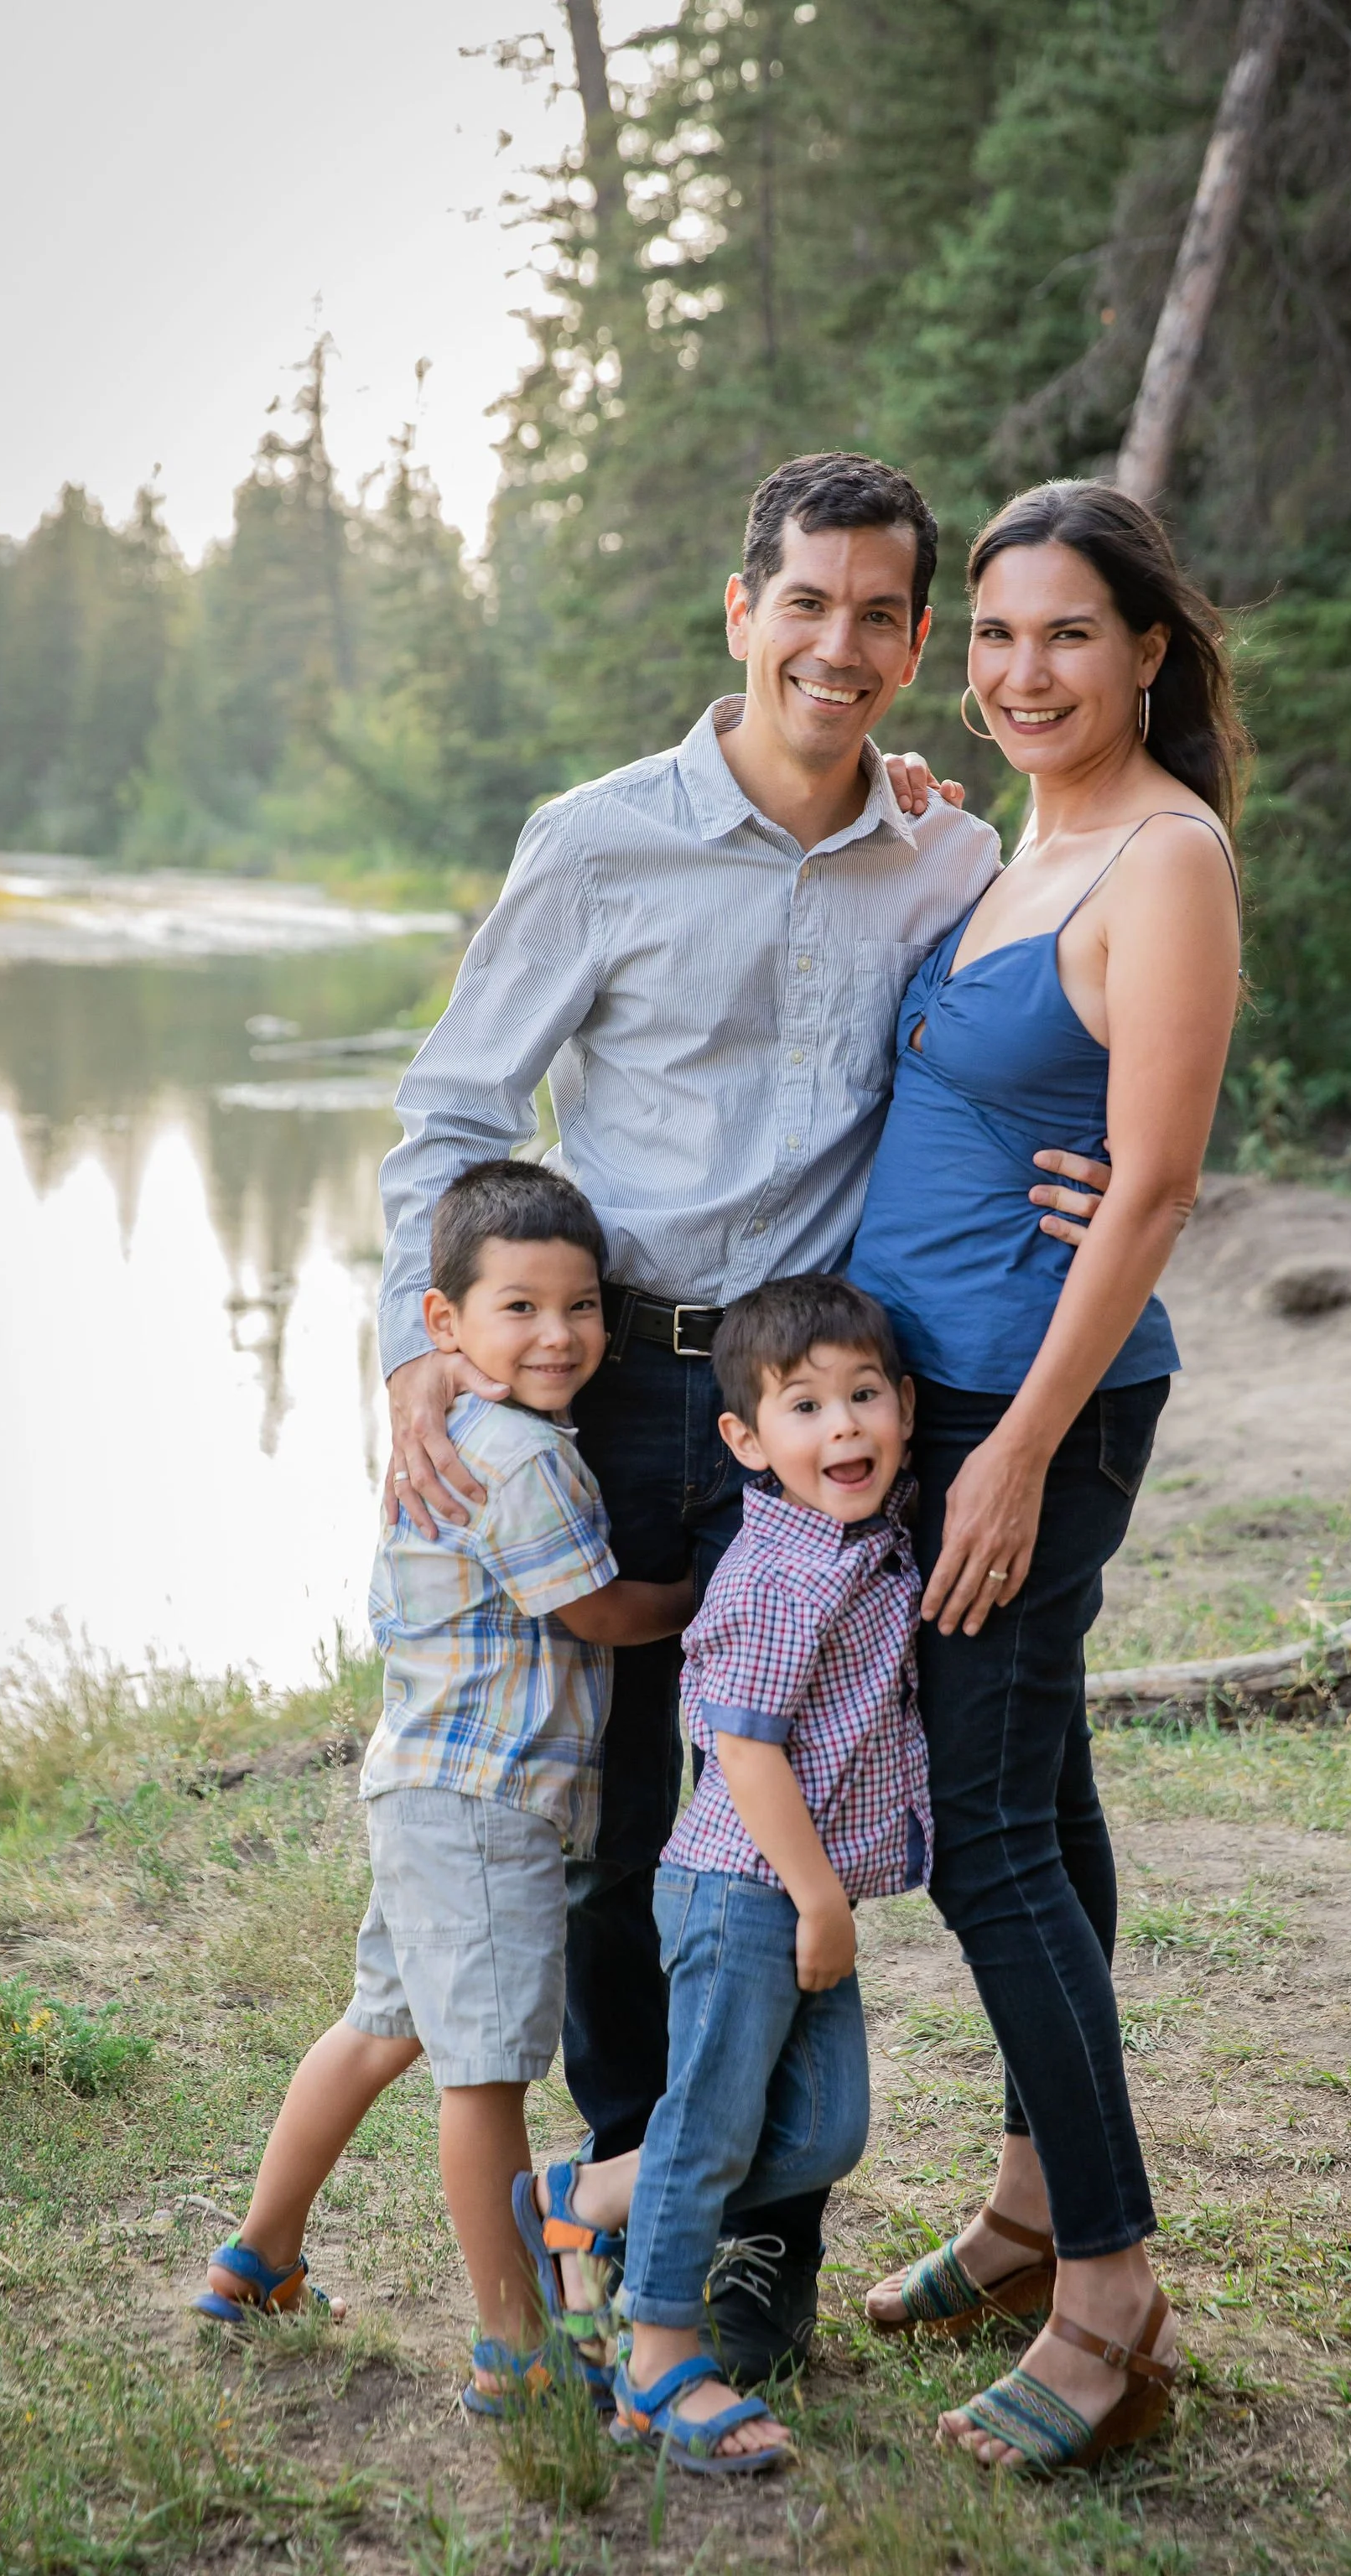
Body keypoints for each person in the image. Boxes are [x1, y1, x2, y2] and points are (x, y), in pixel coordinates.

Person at [375, 451, 1037, 2382]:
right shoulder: (596, 839)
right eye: (805, 602)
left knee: (792, 1813)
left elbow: (1018, 1054)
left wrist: (1088, 1174)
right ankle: (626, 2179)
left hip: (807, 1413)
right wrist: (420, 1345)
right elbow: (456, 1107)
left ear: (916, 646)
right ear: (741, 612)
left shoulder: (948, 854)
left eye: (880, 614)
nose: (840, 643)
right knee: (611, 1828)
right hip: (606, 1397)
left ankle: (757, 2244)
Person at [849, 480, 1245, 2471]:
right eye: (993, 635)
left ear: (1149, 649)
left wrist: (1009, 1455)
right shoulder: (1030, 836)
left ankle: (1108, 2293)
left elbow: (1155, 1179)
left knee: (984, 1835)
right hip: (943, 1393)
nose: (1022, 672)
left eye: (1066, 635)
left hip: (1033, 1411)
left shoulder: (1162, 855)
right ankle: (1021, 2212)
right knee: (1041, 1795)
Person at [192, 1162, 694, 2412]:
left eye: (580, 1308)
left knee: (380, 2031)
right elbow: (590, 1607)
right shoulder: (525, 1459)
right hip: (486, 1807)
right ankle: (516, 2351)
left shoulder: (466, 1434)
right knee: (484, 2076)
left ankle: (256, 2260)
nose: (559, 1335)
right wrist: (708, 1596)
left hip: (424, 1786)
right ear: (443, 1322)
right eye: (518, 1308)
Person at [510, 1274, 928, 2471]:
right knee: (705, 2130)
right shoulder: (772, 1575)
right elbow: (737, 1749)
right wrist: (818, 1898)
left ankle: (575, 2202)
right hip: (751, 1889)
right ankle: (660, 2361)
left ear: (903, 1406)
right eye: (804, 1408)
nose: (841, 1427)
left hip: (800, 1889)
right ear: (744, 1440)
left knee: (822, 2132)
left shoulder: (872, 1534)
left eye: (862, 1398)